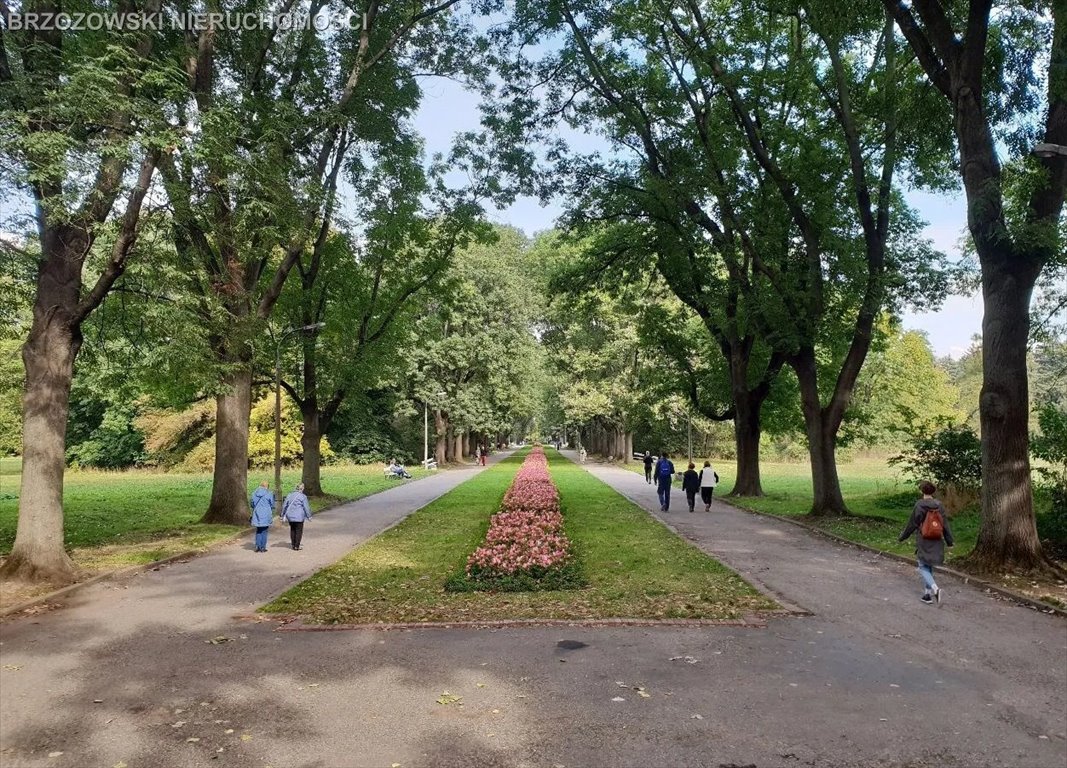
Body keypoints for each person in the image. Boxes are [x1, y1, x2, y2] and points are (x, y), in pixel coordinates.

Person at [897, 481, 954, 605]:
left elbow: (912, 524)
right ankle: (927, 595)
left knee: (922, 566)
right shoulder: (939, 505)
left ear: (922, 491)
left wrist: (902, 537)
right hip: (937, 539)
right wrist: (949, 541)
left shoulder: (920, 505)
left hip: (924, 539)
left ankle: (935, 589)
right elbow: (945, 524)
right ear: (933, 491)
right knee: (929, 565)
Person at [281, 482, 312, 550]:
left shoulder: (289, 495)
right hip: (299, 517)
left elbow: (284, 505)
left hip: (290, 516)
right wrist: (309, 516)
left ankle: (293, 544)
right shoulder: (303, 496)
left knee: (292, 529)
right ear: (302, 488)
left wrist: (282, 514)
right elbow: (306, 507)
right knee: (299, 531)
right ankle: (297, 545)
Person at [249, 481, 274, 553]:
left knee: (258, 530)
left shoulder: (254, 493)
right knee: (265, 530)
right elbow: (272, 504)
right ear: (267, 486)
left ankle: (257, 546)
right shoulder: (269, 493)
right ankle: (263, 547)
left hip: (257, 513)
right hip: (266, 513)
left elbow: (252, 504)